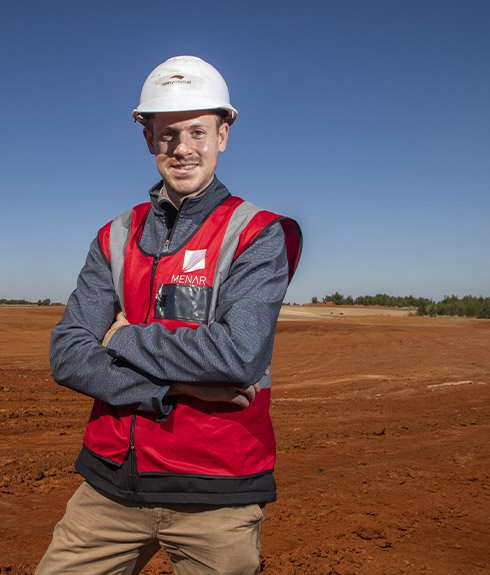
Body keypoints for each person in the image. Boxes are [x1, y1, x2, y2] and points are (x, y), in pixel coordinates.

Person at [36, 55, 302, 575]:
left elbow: (237, 355)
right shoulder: (115, 236)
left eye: (198, 132)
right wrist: (167, 391)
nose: (183, 149)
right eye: (167, 134)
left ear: (223, 134)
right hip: (110, 486)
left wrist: (123, 337)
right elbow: (67, 353)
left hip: (216, 492)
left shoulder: (259, 233)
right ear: (147, 138)